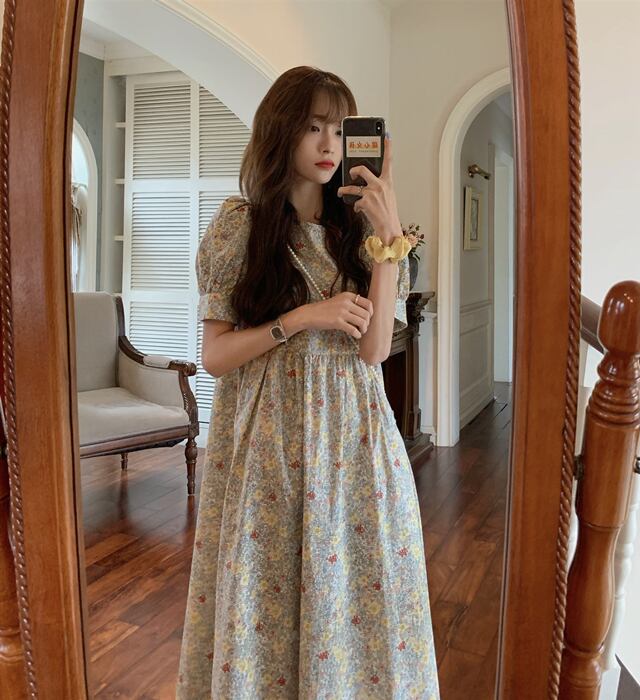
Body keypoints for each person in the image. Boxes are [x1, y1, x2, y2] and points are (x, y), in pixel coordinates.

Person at [176, 65, 440, 699]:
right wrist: (300, 318)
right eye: (313, 126)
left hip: (355, 439)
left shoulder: (364, 237)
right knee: (266, 596)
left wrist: (389, 235)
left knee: (357, 592)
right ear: (281, 131)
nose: (328, 144)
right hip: (269, 440)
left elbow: (374, 350)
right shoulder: (241, 226)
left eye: (339, 129)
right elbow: (215, 356)